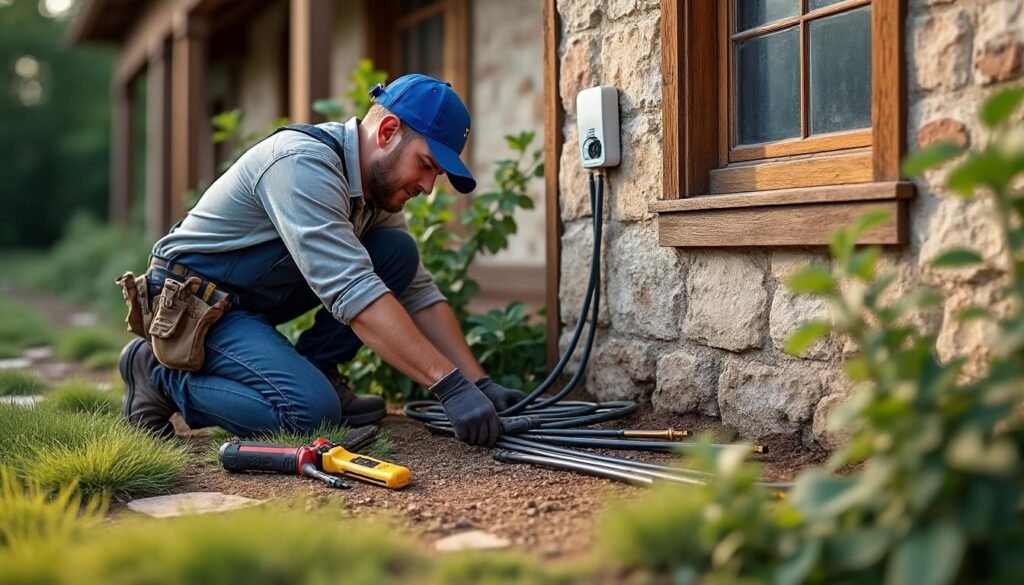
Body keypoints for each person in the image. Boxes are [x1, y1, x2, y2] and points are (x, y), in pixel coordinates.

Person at [118, 74, 524, 446]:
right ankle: (158, 376)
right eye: (426, 165)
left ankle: (318, 372)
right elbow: (354, 292)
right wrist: (448, 386)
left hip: (247, 302)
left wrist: (478, 382)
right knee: (308, 413)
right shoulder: (302, 164)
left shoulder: (375, 191)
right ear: (387, 131)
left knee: (397, 254)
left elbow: (416, 292)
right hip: (194, 300)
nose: (428, 186)